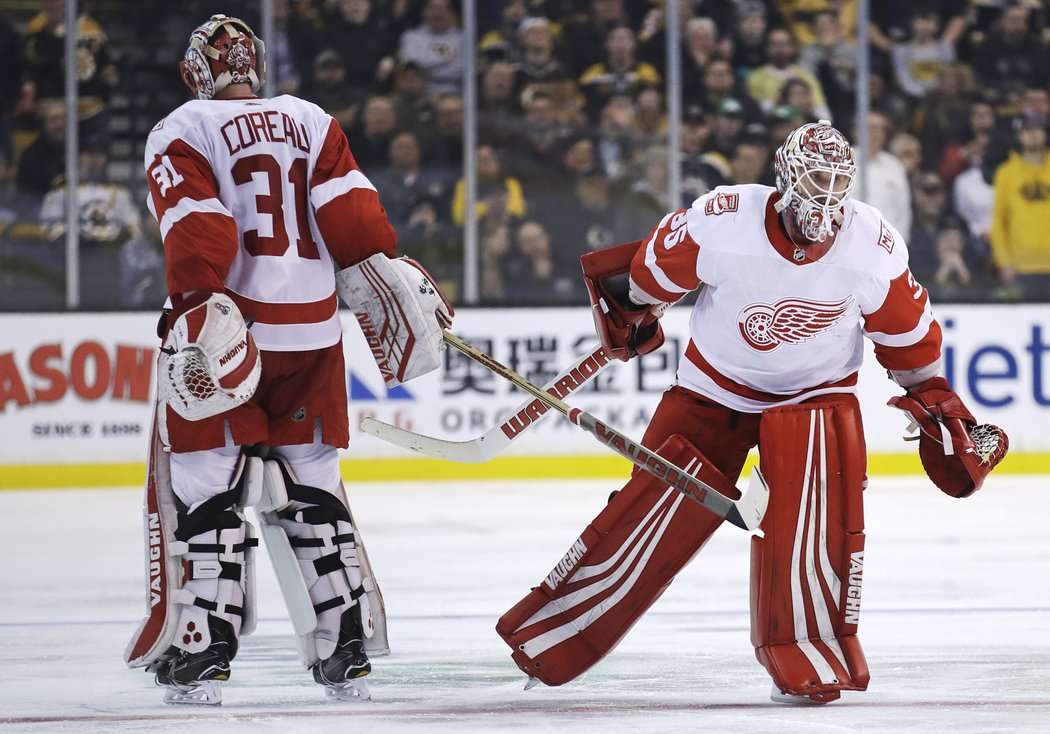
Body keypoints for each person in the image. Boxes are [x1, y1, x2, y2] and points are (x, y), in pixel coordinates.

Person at [496, 120, 1008, 703]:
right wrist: (631, 310)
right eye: (818, 177)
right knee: (648, 516)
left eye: (840, 182)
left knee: (815, 530)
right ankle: (559, 633)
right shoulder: (724, 219)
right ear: (787, 176)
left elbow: (908, 342)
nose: (829, 195)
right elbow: (647, 276)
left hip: (816, 395)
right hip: (712, 390)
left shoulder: (873, 243)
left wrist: (938, 406)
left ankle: (810, 652)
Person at [124, 15, 453, 705]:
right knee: (314, 483)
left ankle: (202, 647)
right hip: (311, 336)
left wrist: (195, 307)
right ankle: (346, 641)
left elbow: (200, 227)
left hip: (230, 332)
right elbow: (357, 225)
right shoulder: (311, 117)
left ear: (196, 70)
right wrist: (388, 272)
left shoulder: (182, 128)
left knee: (206, 483)